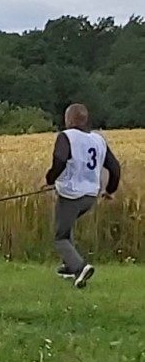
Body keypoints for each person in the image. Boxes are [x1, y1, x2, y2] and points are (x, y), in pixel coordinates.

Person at [44, 103, 120, 289]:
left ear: (68, 119)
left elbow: (60, 160)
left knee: (60, 236)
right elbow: (115, 168)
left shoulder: (66, 137)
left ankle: (80, 267)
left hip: (71, 194)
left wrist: (50, 179)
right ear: (85, 120)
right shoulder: (98, 139)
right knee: (66, 225)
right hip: (90, 196)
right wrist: (110, 190)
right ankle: (69, 267)